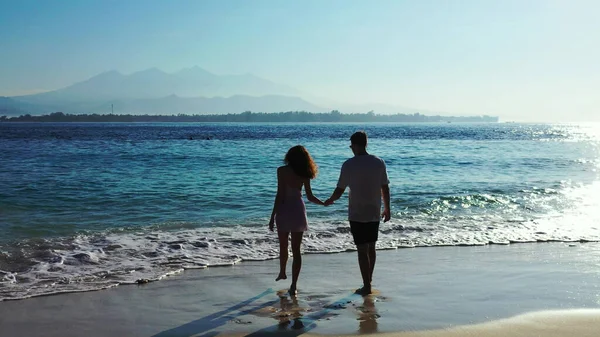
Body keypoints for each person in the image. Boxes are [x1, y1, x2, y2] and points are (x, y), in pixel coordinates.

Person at [325, 131, 391, 296]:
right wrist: (387, 208)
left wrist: (329, 200)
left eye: (351, 146)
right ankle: (368, 281)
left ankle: (366, 285)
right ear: (366, 143)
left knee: (362, 250)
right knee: (371, 248)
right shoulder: (379, 162)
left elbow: (340, 189)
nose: (351, 149)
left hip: (357, 212)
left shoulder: (349, 164)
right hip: (374, 211)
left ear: (355, 145)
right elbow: (385, 187)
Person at [269, 145, 324, 296]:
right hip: (298, 210)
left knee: (283, 245)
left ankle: (282, 272)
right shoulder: (304, 174)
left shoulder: (282, 171)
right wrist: (324, 203)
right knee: (296, 250)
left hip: (284, 209)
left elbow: (279, 194)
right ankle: (294, 285)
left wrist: (272, 215)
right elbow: (310, 197)